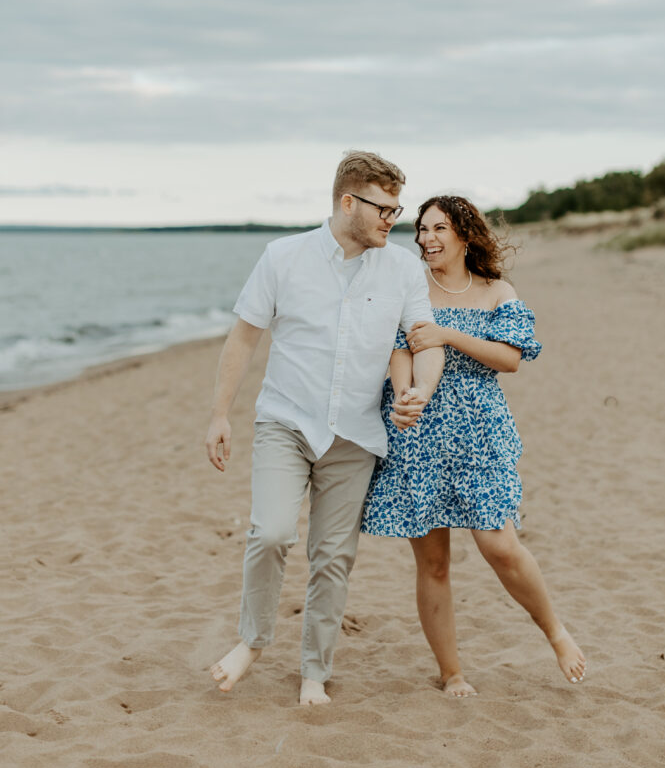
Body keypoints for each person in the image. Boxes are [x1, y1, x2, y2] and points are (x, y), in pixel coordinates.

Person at [206, 152, 444, 705]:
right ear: (347, 202)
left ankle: (314, 672)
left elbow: (424, 337)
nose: (393, 219)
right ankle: (253, 640)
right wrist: (220, 414)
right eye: (384, 208)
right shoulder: (282, 257)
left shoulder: (403, 268)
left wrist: (421, 390)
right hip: (285, 422)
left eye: (397, 208)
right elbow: (243, 338)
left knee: (333, 558)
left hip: (356, 435)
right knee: (269, 534)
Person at [361, 194, 586, 697]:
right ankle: (451, 671)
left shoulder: (495, 291)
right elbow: (398, 349)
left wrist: (446, 333)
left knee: (500, 545)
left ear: (464, 235)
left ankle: (556, 632)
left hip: (479, 435)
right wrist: (403, 396)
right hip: (417, 432)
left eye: (438, 229)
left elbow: (509, 359)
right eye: (421, 230)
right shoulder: (409, 287)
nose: (427, 239)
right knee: (433, 562)